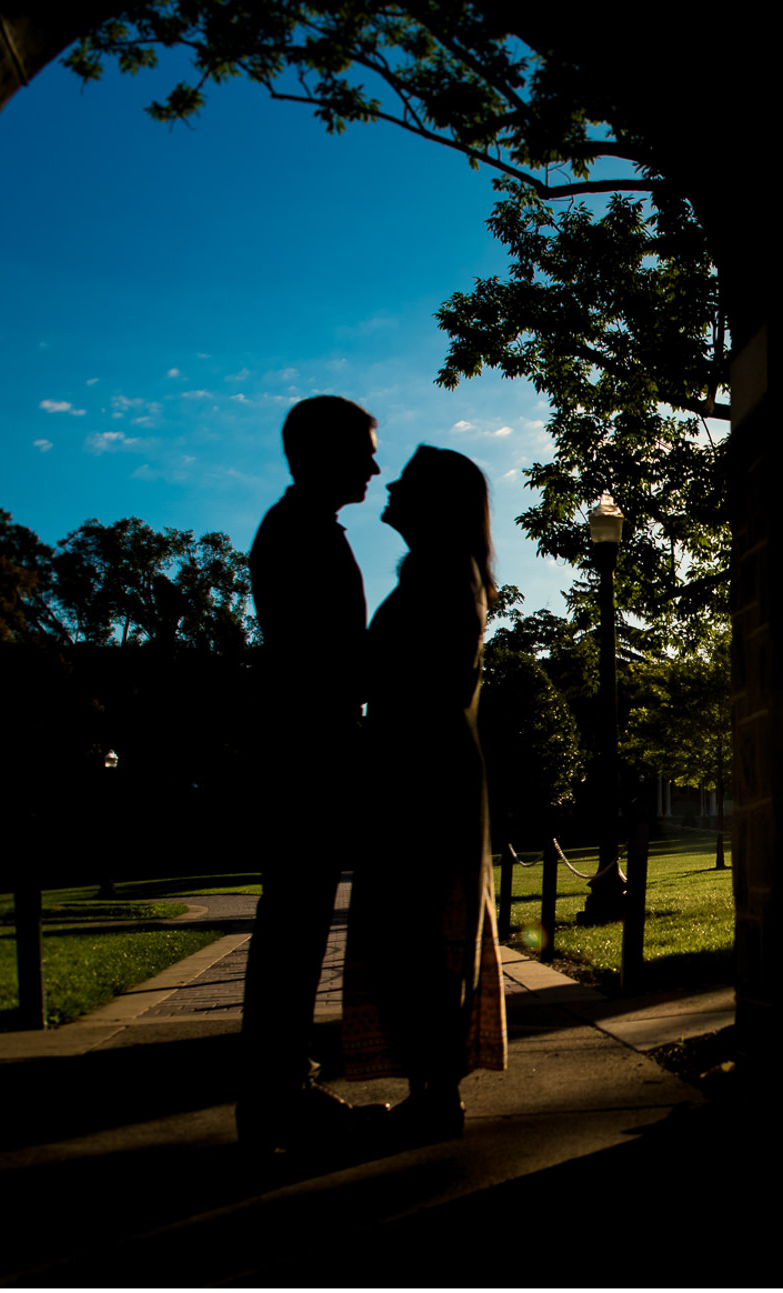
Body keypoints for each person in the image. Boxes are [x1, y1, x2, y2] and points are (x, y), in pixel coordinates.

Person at [333, 445, 508, 1140]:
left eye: (407, 478)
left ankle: (435, 1094)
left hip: (424, 780)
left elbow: (412, 683)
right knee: (418, 933)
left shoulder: (444, 577)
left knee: (423, 934)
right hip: (423, 773)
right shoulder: (437, 573)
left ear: (435, 500)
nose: (391, 483)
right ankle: (429, 1089)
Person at [239, 396, 383, 1149]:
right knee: (293, 928)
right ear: (318, 452)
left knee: (295, 928)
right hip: (308, 758)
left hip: (313, 752)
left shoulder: (303, 529)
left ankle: (279, 1087)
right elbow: (328, 660)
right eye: (362, 449)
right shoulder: (298, 535)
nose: (374, 464)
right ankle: (277, 1095)